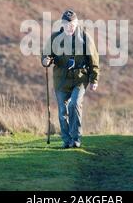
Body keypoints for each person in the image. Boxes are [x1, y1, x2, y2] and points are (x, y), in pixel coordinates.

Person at [41, 10, 100, 149]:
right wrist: (45, 61)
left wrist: (94, 79)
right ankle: (67, 140)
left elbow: (94, 59)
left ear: (76, 23)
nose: (70, 27)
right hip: (61, 81)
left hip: (80, 79)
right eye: (67, 24)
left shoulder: (84, 37)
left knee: (74, 104)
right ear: (62, 24)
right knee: (63, 111)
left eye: (72, 24)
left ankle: (76, 138)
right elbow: (45, 56)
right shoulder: (55, 38)